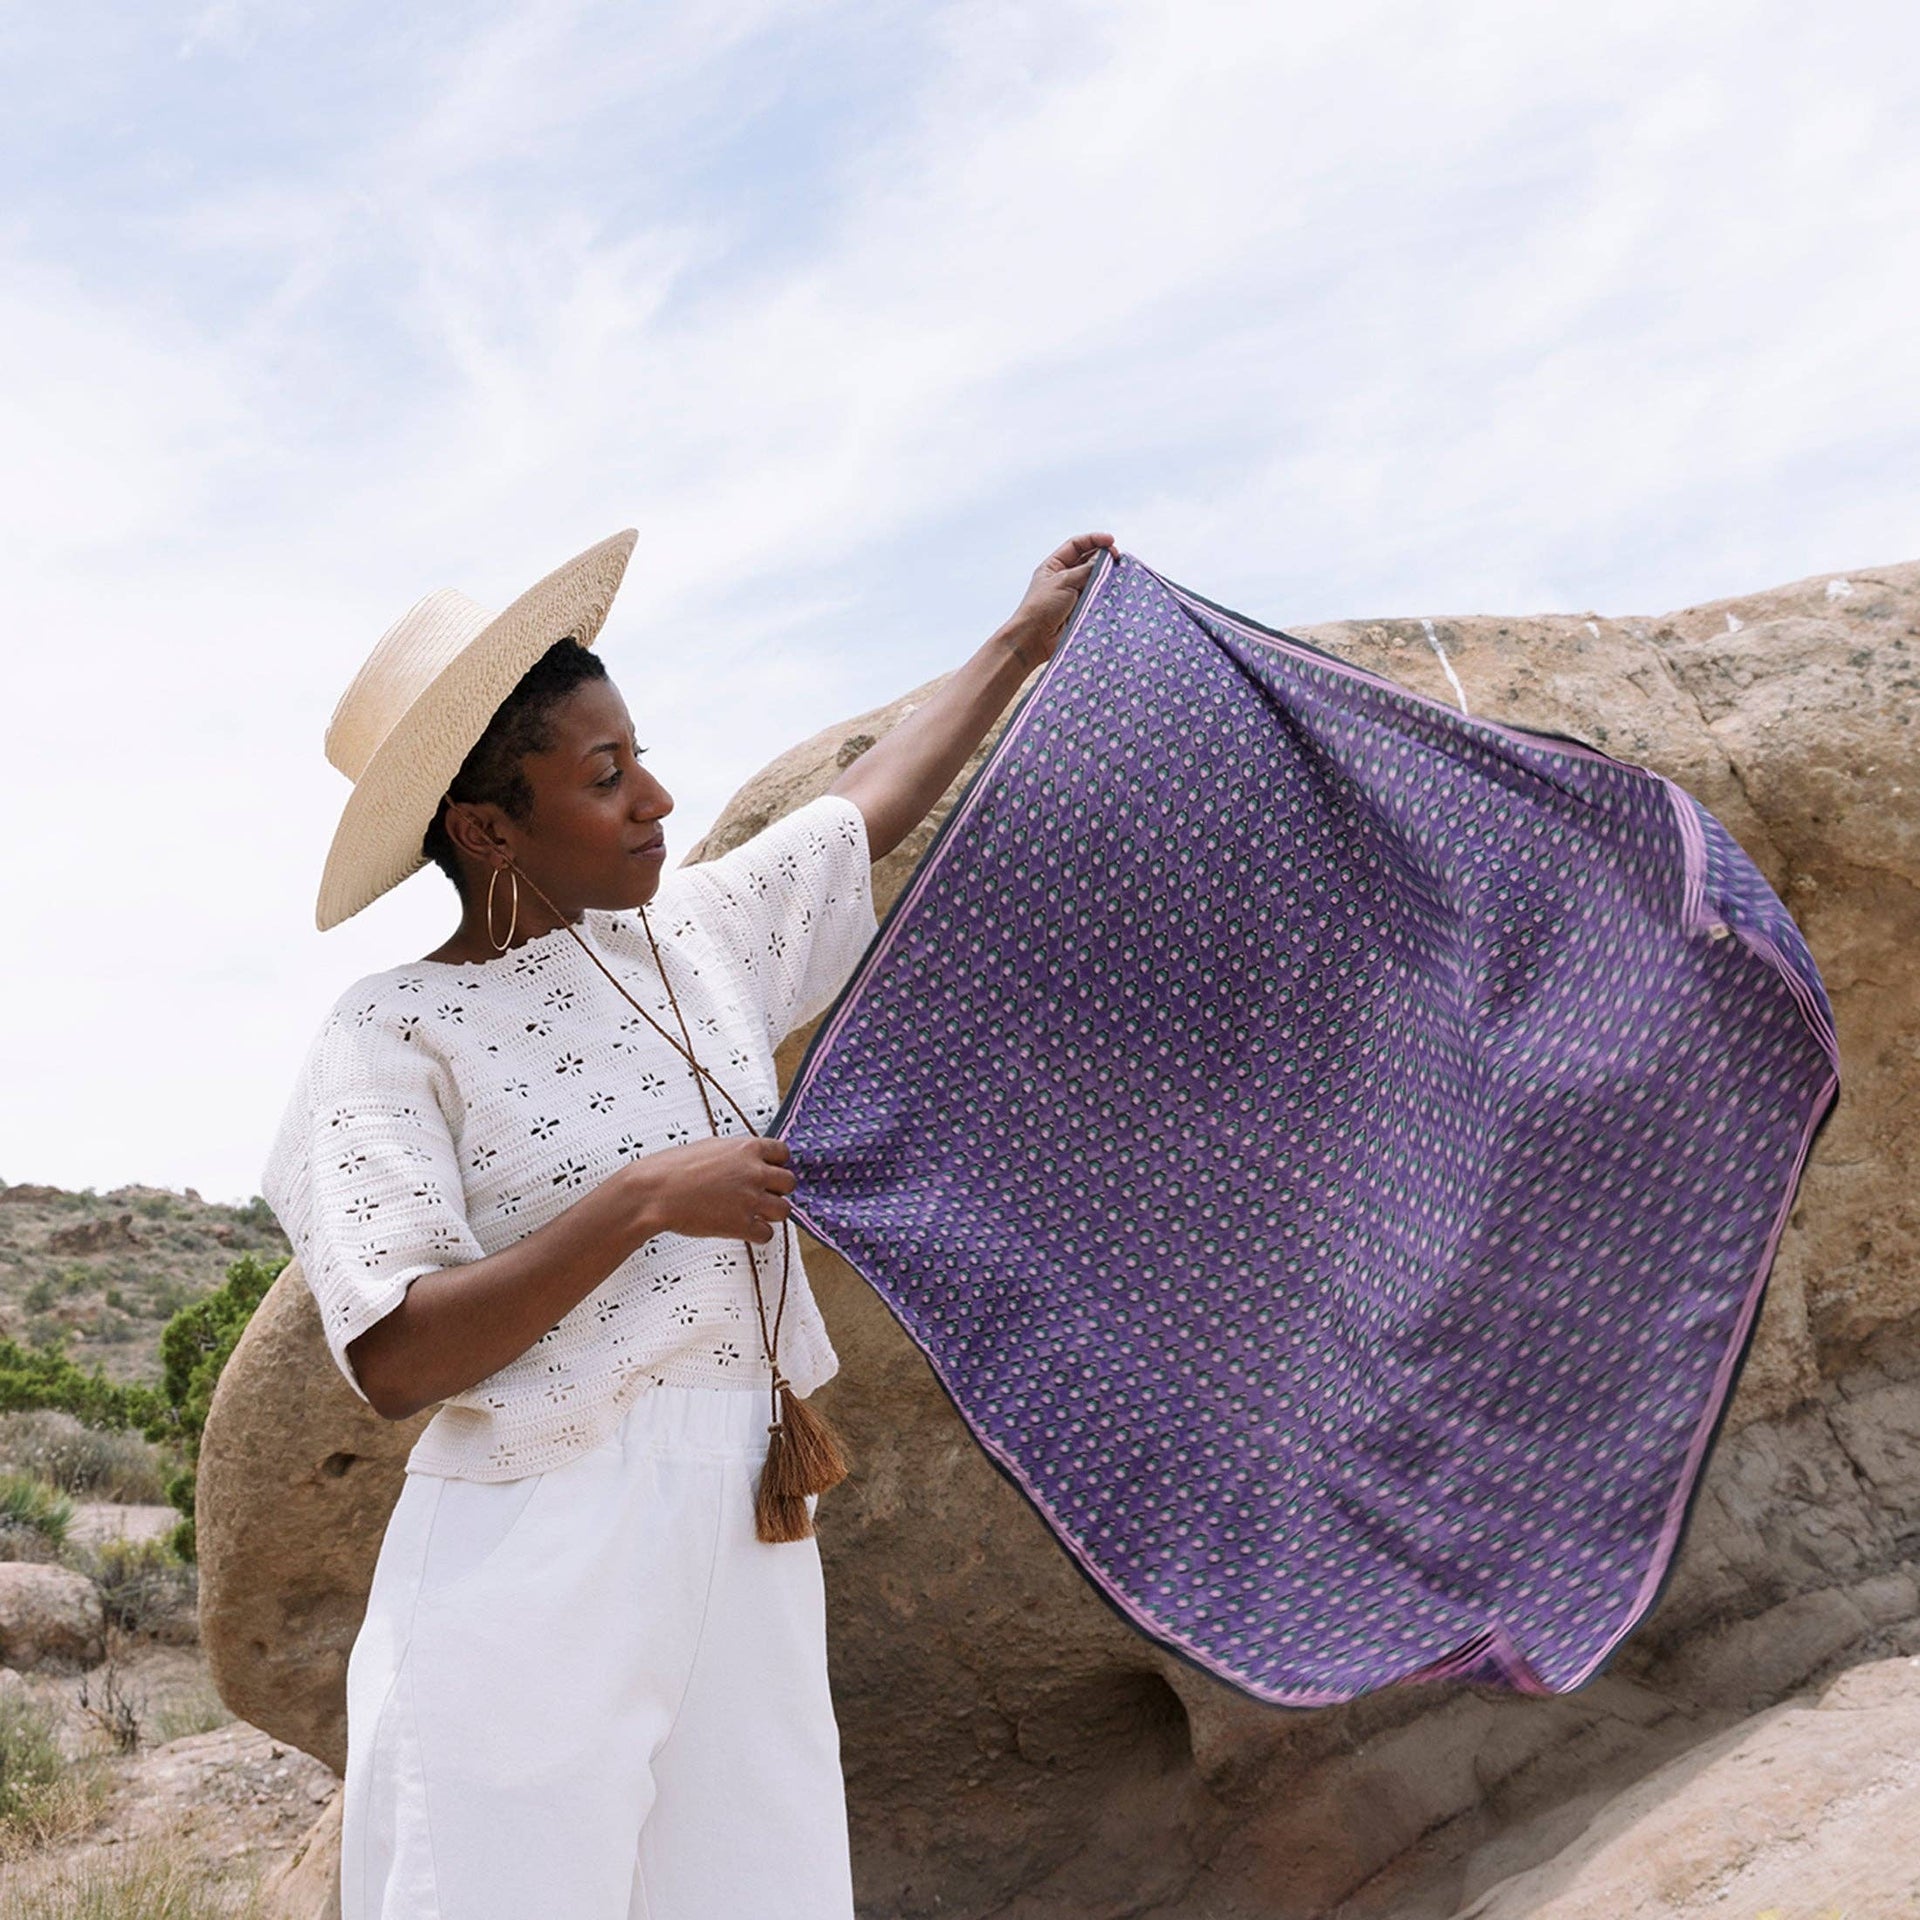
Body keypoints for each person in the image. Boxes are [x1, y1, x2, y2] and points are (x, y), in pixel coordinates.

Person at [260, 526, 1114, 1920]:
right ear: (486, 827)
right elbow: (396, 1357)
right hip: (538, 1540)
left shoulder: (697, 937)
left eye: (640, 754)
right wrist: (644, 1204)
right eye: (604, 777)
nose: (657, 799)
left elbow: (859, 810)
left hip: (749, 1514)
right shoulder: (392, 1032)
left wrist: (1020, 641)